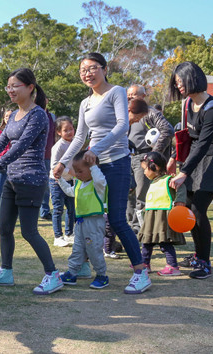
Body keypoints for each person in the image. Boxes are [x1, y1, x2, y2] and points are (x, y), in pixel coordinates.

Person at [52, 52, 150, 294]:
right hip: (91, 164)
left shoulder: (116, 92)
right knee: (86, 216)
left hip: (115, 162)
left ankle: (141, 273)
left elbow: (122, 126)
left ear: (105, 69)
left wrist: (95, 150)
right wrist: (62, 162)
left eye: (92, 68)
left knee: (116, 219)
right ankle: (82, 268)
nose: (87, 73)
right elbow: (79, 137)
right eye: (83, 70)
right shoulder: (85, 103)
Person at [0, 68, 63, 295]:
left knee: (29, 231)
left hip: (31, 179)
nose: (10, 90)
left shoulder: (38, 115)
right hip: (12, 179)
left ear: (30, 87)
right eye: (8, 86)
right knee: (4, 228)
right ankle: (6, 272)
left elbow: (20, 146)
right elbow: (0, 144)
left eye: (14, 86)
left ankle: (53, 275)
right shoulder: (14, 115)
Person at [166, 61, 213, 279]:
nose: (178, 86)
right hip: (195, 161)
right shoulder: (189, 104)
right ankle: (198, 255)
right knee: (189, 209)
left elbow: (204, 143)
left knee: (198, 210)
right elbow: (188, 137)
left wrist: (183, 173)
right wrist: (173, 157)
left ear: (193, 78)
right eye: (176, 82)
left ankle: (205, 263)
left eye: (181, 81)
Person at [57, 150, 110, 289]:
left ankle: (102, 275)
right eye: (76, 171)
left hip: (94, 223)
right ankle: (72, 273)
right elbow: (69, 191)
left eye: (80, 171)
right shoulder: (79, 185)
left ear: (92, 168)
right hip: (80, 223)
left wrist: (93, 166)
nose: (77, 174)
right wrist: (60, 180)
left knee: (94, 249)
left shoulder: (98, 184)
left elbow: (100, 179)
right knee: (77, 249)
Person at [127, 87, 175, 233]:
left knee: (141, 195)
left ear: (143, 96)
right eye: (128, 95)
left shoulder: (151, 113)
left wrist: (154, 154)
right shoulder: (125, 112)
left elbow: (167, 130)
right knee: (128, 194)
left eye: (134, 95)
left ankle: (140, 229)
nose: (130, 98)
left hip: (144, 158)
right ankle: (130, 227)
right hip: (128, 156)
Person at [136, 152, 186, 276]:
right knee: (147, 241)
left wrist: (180, 201)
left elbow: (181, 187)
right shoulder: (153, 182)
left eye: (145, 169)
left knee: (164, 241)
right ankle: (144, 263)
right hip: (150, 217)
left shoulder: (168, 180)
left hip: (163, 217)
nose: (144, 172)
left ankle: (172, 266)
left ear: (155, 167)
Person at [50, 116, 76, 248]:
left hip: (70, 181)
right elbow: (54, 166)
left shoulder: (75, 144)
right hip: (56, 182)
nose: (69, 132)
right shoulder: (58, 146)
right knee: (58, 209)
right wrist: (69, 171)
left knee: (72, 209)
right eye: (66, 130)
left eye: (71, 129)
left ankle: (69, 234)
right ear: (59, 132)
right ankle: (58, 237)